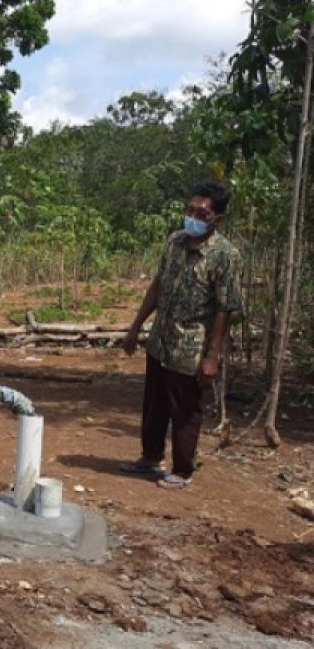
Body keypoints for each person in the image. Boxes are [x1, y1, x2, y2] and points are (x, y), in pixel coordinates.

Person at [122, 181, 243, 490]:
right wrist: (136, 326)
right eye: (190, 210)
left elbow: (226, 308)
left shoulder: (225, 255)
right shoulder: (175, 242)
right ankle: (150, 456)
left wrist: (212, 357)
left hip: (192, 344)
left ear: (217, 218)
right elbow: (158, 286)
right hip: (162, 338)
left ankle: (183, 470)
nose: (193, 217)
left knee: (185, 408)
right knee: (154, 402)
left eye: (201, 213)